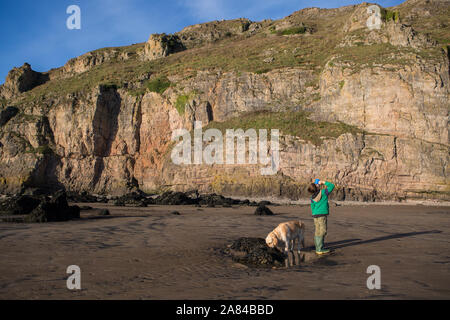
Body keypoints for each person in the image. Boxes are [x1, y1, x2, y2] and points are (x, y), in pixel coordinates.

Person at [307, 179, 335, 255]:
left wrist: (313, 214)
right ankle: (320, 248)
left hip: (315, 215)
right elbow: (332, 186)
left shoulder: (312, 197)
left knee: (317, 231)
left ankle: (318, 247)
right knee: (323, 231)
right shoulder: (323, 193)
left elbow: (312, 207)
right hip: (322, 215)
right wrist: (323, 182)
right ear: (316, 187)